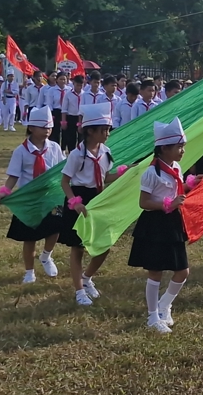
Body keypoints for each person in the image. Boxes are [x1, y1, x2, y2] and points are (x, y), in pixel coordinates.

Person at [128, 117, 198, 334]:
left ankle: (164, 305)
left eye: (183, 146)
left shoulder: (176, 167)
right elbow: (144, 202)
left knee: (182, 271)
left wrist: (192, 184)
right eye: (179, 146)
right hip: (155, 223)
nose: (182, 150)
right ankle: (152, 317)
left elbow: (179, 190)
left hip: (172, 223)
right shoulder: (152, 172)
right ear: (164, 148)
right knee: (155, 272)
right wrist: (167, 204)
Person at [59, 103, 126, 306]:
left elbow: (104, 177)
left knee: (104, 244)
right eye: (103, 130)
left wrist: (125, 172)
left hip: (98, 199)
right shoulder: (76, 155)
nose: (107, 133)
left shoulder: (106, 152)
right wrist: (75, 202)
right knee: (78, 247)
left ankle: (87, 278)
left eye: (108, 129)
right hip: (79, 198)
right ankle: (79, 291)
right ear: (90, 131)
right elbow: (64, 181)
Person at [0, 106, 65, 284]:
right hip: (29, 201)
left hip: (50, 197)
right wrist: (4, 192)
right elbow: (13, 176)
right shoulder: (21, 151)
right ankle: (29, 271)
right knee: (30, 237)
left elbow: (63, 170)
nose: (47, 131)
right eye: (43, 127)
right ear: (31, 128)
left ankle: (46, 256)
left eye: (49, 128)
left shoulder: (55, 148)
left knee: (56, 227)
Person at [62, 75, 85, 151]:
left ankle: (80, 152)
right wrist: (64, 121)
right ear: (73, 83)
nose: (79, 87)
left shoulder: (84, 94)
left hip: (82, 117)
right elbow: (64, 108)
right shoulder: (68, 94)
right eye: (77, 85)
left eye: (81, 85)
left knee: (81, 137)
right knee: (71, 138)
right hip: (71, 117)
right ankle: (71, 152)